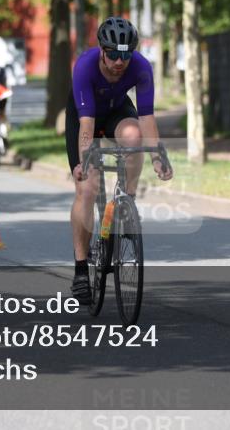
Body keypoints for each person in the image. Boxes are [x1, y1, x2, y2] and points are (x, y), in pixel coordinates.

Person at [65, 17, 173, 302]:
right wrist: (84, 162)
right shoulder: (86, 66)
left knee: (135, 137)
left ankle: (128, 199)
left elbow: (147, 118)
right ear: (102, 50)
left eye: (125, 55)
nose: (119, 61)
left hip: (116, 111)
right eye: (113, 54)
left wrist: (157, 157)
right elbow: (86, 128)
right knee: (87, 188)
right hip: (84, 117)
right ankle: (79, 271)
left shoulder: (140, 67)